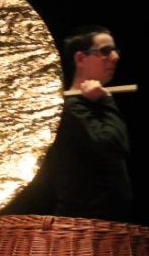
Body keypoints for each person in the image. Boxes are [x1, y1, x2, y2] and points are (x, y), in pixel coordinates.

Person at [43, 24, 133, 222]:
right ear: (81, 59)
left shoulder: (94, 101)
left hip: (104, 224)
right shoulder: (70, 107)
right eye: (105, 51)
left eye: (115, 51)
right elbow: (114, 144)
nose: (115, 57)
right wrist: (107, 101)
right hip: (84, 226)